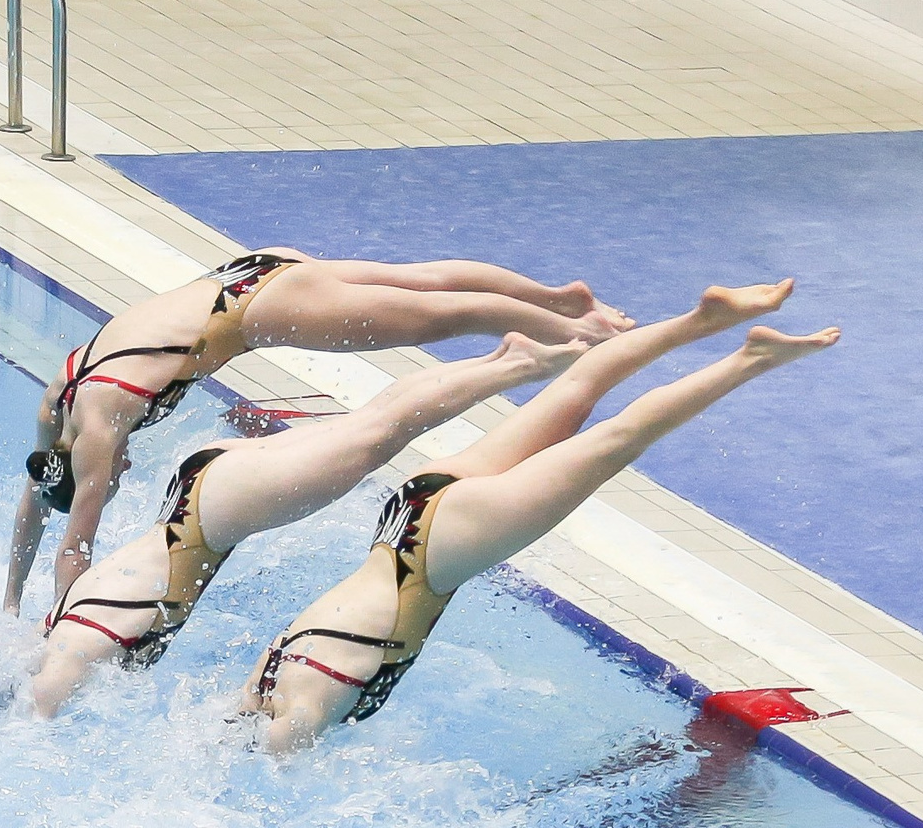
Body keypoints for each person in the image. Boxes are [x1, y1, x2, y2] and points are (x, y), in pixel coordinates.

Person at [235, 281, 837, 752]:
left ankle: (750, 357)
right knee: (572, 393)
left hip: (437, 555)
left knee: (616, 441)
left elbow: (285, 770)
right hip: (408, 513)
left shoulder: (293, 720)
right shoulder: (257, 689)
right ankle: (702, 320)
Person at [4, 252, 633, 611]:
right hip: (251, 269)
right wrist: (9, 599)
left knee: (444, 315)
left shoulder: (98, 437)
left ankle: (584, 336)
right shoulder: (58, 402)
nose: (123, 475)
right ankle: (561, 299)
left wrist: (55, 627)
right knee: (422, 282)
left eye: (113, 480)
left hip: (254, 311)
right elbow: (36, 495)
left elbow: (73, 550)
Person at [24, 330, 588, 719]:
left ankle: (521, 366)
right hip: (199, 492)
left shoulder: (72, 652)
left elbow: (43, 700)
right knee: (370, 427)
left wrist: (33, 729)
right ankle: (504, 360)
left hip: (213, 515)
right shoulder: (62, 618)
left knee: (375, 436)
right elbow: (69, 555)